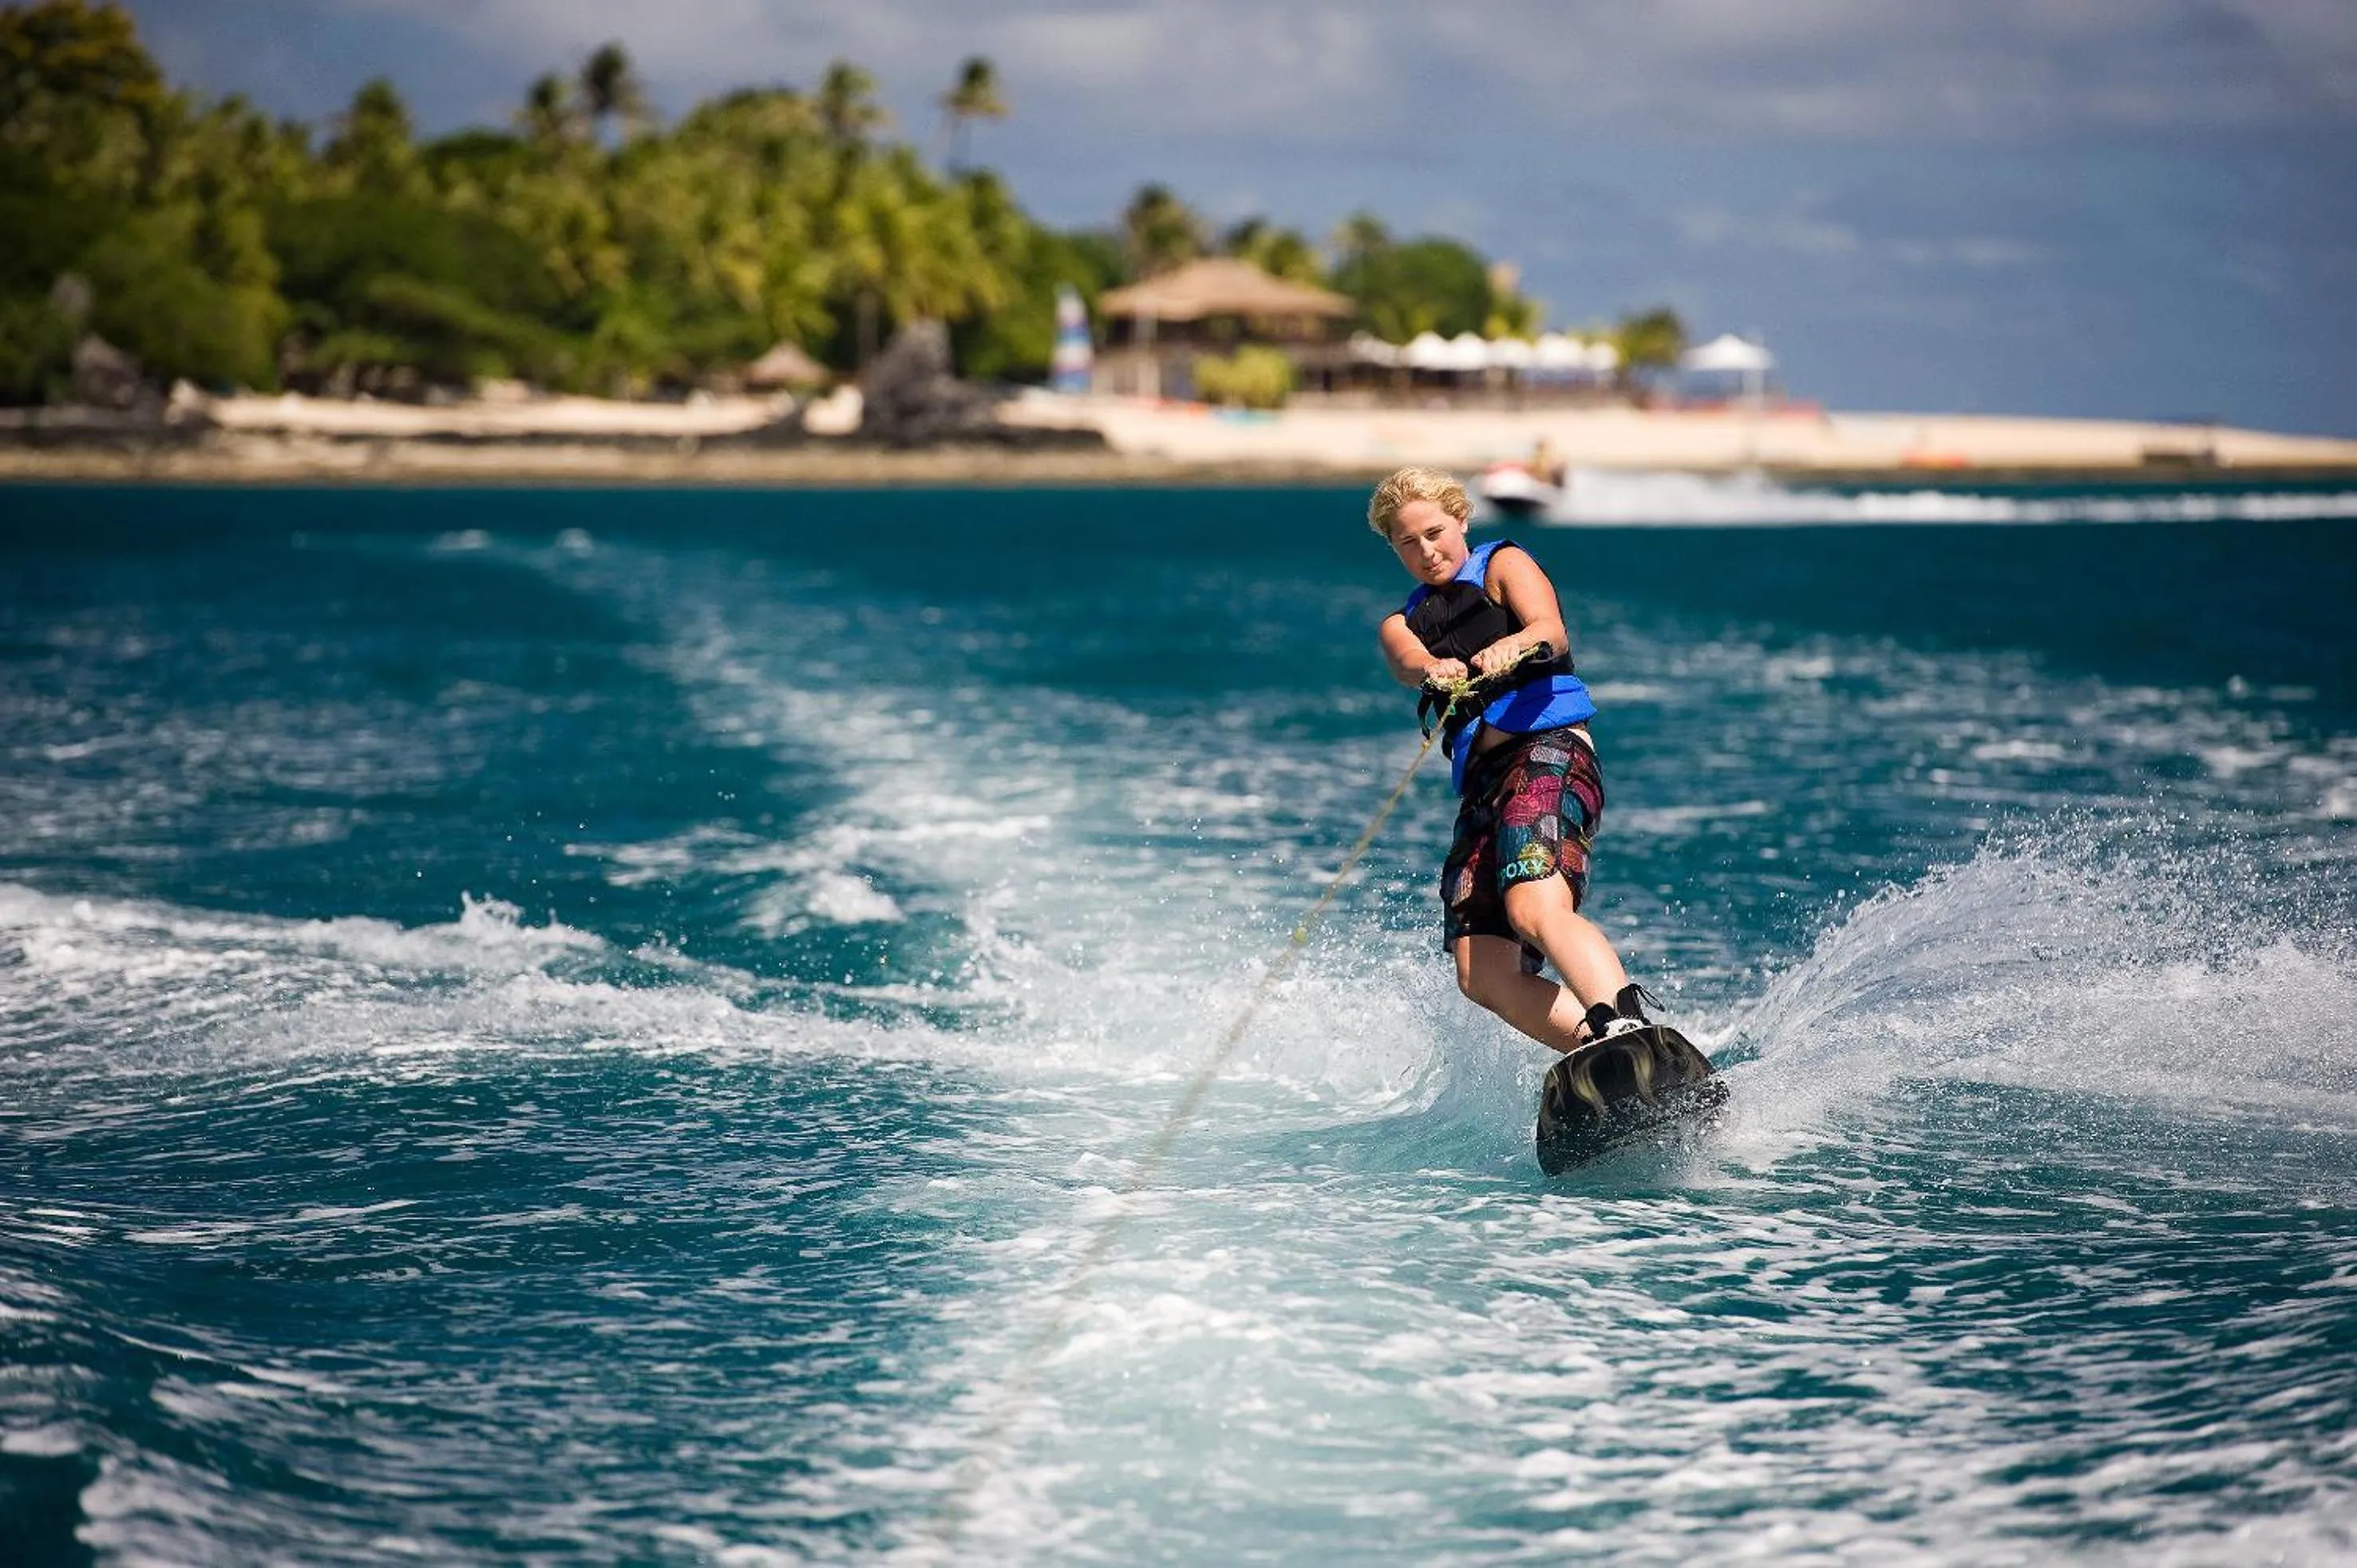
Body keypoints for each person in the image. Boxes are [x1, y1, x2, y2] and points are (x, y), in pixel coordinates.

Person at [1370, 465, 1652, 1053]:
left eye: (1435, 532)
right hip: (1484, 786)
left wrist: (1514, 643)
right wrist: (1432, 669)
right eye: (1408, 542)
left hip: (1548, 752)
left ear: (1461, 521)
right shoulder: (1400, 624)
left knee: (1532, 902)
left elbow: (1551, 631)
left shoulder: (1502, 565)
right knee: (1481, 970)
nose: (1426, 551)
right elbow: (1405, 661)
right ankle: (1601, 1054)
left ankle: (1625, 1023)